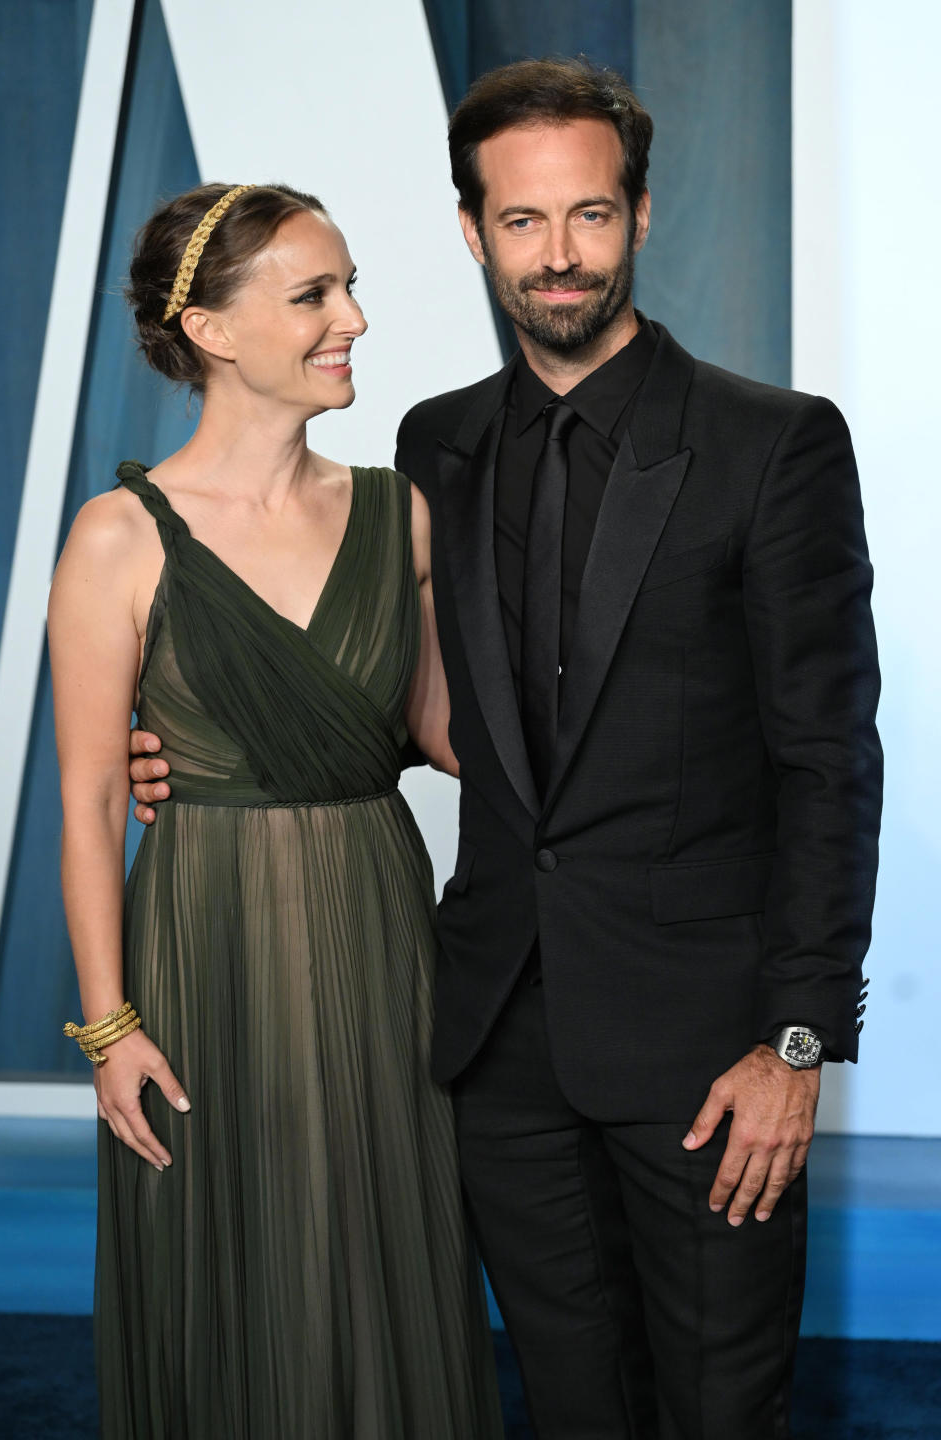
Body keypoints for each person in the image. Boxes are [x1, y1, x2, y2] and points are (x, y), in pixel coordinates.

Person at [130, 60, 883, 1440]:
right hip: (491, 1038)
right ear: (473, 232)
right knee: (569, 1406)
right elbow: (439, 718)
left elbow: (831, 759)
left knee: (723, 1407)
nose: (560, 255)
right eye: (524, 223)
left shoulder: (769, 445)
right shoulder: (438, 446)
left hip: (707, 1048)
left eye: (590, 216)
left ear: (642, 218)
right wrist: (206, 742)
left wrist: (796, 1036)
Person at [49, 181, 504, 1439]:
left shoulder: (396, 512)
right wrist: (109, 1030)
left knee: (385, 1254)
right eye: (313, 295)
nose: (352, 317)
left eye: (349, 285)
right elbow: (89, 796)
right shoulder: (117, 539)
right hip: (205, 955)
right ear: (211, 329)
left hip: (376, 936)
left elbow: (452, 736)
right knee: (225, 1272)